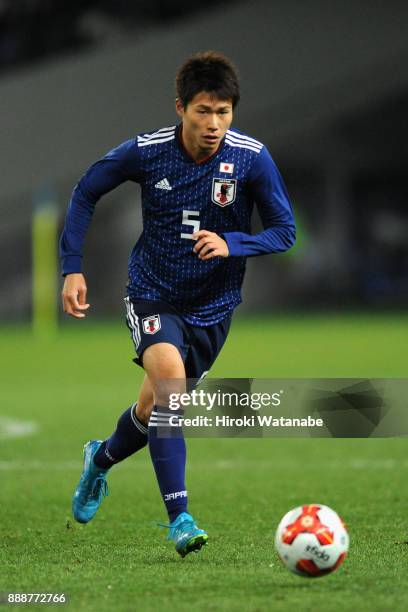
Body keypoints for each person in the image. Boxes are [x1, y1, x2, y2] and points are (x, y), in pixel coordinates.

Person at [60, 50, 296, 557]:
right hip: (153, 293)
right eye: (203, 111)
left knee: (152, 410)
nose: (214, 124)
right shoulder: (145, 152)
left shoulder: (252, 157)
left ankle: (99, 460)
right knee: (171, 394)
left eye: (224, 112)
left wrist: (236, 244)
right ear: (180, 108)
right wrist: (71, 266)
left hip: (214, 308)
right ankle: (180, 518)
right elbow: (85, 191)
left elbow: (285, 230)